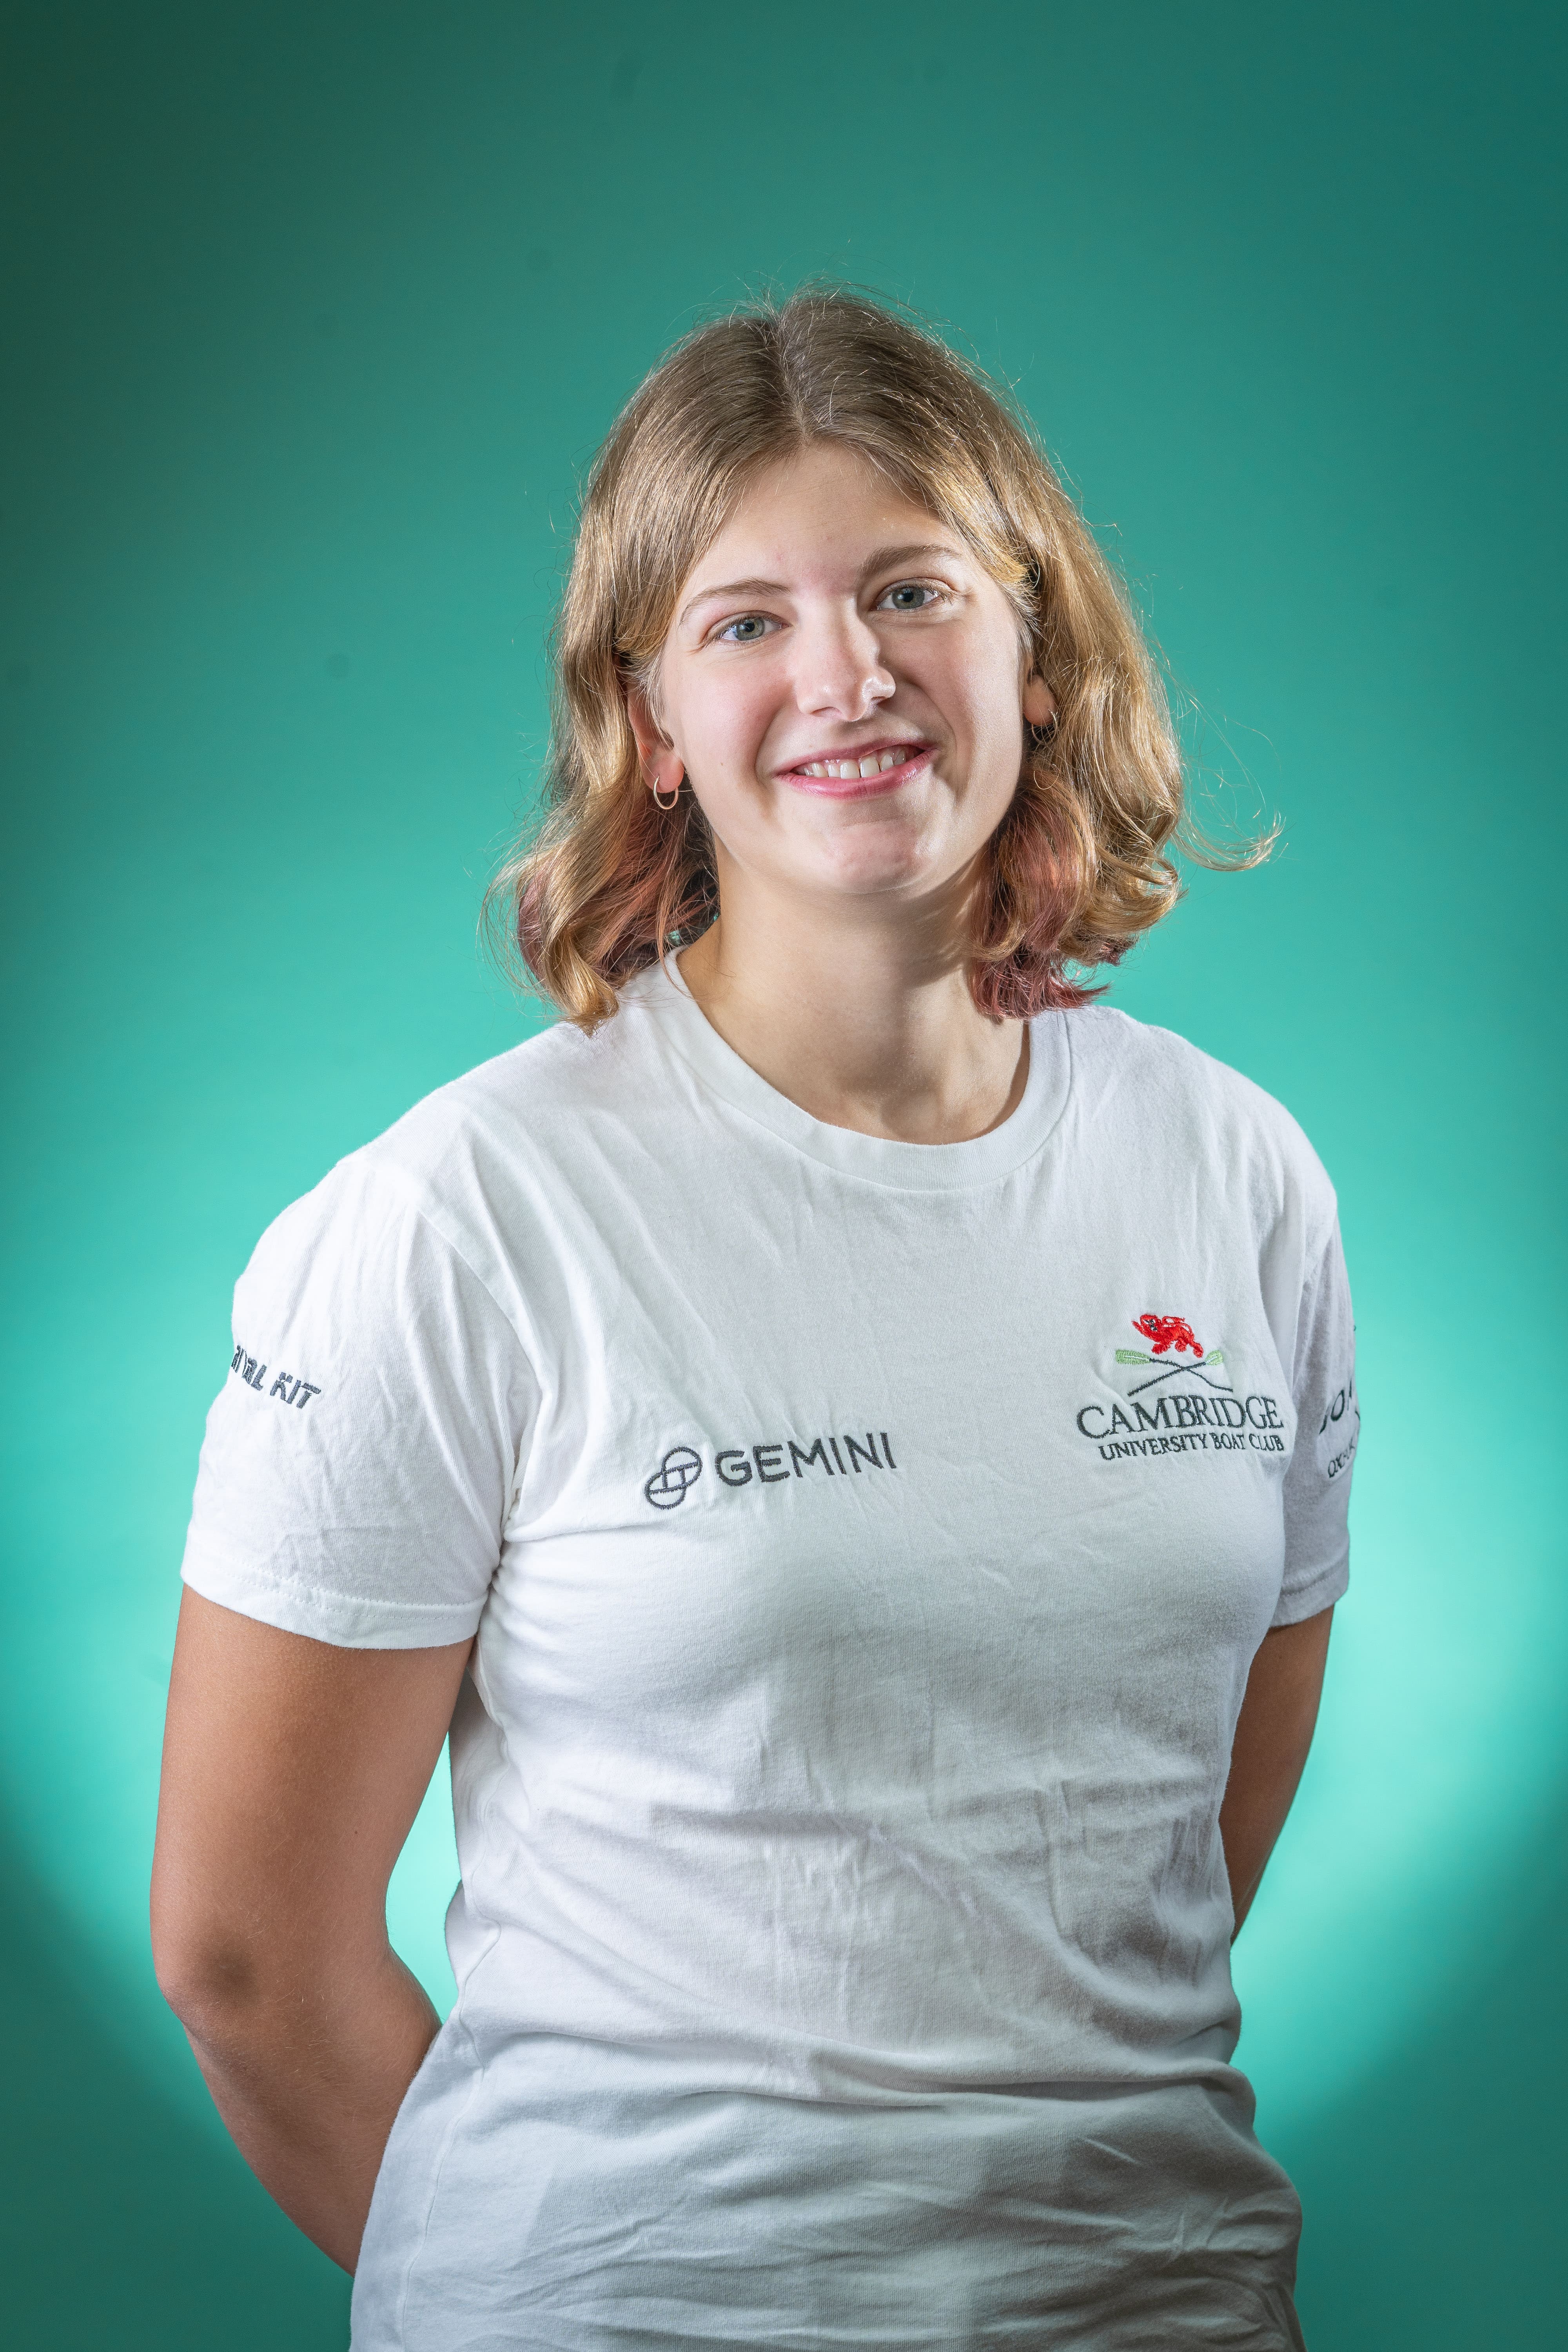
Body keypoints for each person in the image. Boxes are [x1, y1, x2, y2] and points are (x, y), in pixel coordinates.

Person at [152, 290, 1358, 2351]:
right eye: (745, 621)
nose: (848, 675)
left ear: (1036, 649)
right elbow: (246, 1956)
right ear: (649, 722)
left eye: (913, 590)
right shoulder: (464, 1218)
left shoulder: (1238, 1175)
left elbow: (1179, 1836)